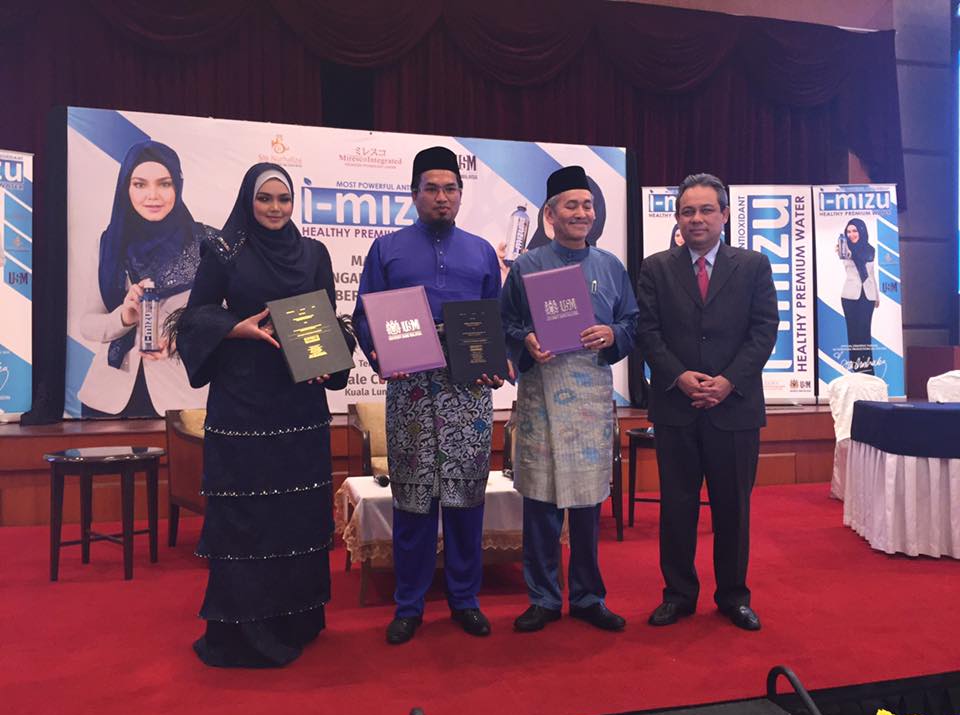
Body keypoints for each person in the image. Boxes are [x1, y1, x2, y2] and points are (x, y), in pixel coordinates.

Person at [174, 163, 352, 667]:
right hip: (244, 404)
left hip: (299, 405)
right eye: (265, 199)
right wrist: (237, 329)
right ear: (247, 200)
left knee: (296, 510)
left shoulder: (314, 253)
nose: (275, 208)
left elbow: (328, 318)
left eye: (284, 199)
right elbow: (194, 317)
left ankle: (296, 615)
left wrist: (327, 361)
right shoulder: (225, 249)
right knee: (248, 512)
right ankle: (245, 627)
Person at [352, 146, 503, 645]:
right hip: (411, 391)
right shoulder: (387, 249)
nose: (442, 198)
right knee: (413, 501)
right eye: (432, 189)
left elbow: (493, 319)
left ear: (460, 196)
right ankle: (409, 605)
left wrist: (492, 363)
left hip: (468, 393)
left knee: (465, 501)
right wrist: (382, 359)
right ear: (414, 195)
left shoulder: (482, 251)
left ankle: (465, 600)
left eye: (450, 189)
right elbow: (365, 318)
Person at [636, 173, 778, 632]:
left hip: (734, 408)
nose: (696, 219)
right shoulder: (656, 267)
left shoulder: (754, 265)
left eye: (705, 210)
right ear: (677, 217)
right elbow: (648, 333)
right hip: (676, 407)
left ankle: (734, 596)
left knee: (733, 507)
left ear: (725, 214)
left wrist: (727, 382)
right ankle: (678, 595)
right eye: (687, 212)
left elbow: (764, 331)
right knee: (676, 506)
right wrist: (678, 377)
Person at [501, 165, 638, 633]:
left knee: (585, 504)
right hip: (541, 392)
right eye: (572, 206)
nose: (582, 213)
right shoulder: (526, 266)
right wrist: (526, 342)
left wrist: (612, 332)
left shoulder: (610, 266)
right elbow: (507, 326)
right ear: (551, 214)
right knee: (540, 500)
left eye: (588, 206)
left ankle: (587, 597)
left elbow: (632, 324)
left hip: (590, 396)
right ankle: (542, 597)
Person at [78, 140, 215, 417]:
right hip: (108, 399)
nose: (153, 195)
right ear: (125, 188)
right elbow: (87, 324)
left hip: (183, 397)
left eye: (164, 184)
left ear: (178, 185)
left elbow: (227, 318)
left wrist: (181, 339)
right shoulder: (108, 244)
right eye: (140, 184)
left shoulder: (207, 243)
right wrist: (124, 317)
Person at [838, 217, 879, 373]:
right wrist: (844, 248)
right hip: (850, 296)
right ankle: (855, 371)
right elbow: (846, 255)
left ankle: (867, 371)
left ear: (861, 231)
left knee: (864, 334)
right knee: (853, 336)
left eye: (854, 230)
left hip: (868, 295)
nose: (851, 234)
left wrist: (877, 296)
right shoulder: (844, 248)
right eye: (848, 231)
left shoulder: (870, 249)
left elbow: (871, 274)